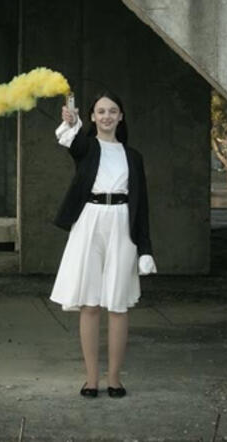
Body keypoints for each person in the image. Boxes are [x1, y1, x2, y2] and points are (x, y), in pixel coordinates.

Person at [49, 92, 157, 398]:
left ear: (121, 116)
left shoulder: (133, 156)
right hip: (90, 223)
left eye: (112, 111)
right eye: (101, 111)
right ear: (93, 117)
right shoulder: (87, 147)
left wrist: (145, 249)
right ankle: (91, 379)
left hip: (122, 223)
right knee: (90, 303)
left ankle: (115, 379)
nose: (107, 116)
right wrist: (72, 121)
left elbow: (142, 206)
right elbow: (73, 142)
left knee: (118, 304)